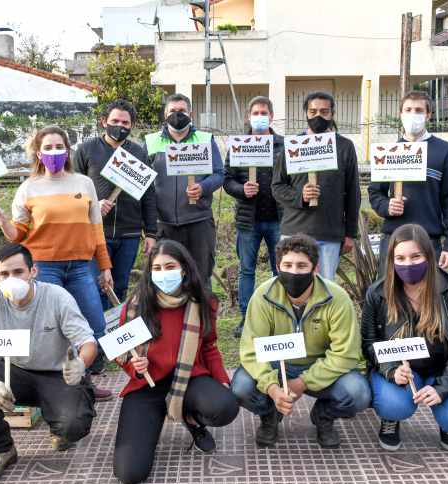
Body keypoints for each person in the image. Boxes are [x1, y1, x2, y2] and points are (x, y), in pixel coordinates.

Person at [0, 125, 114, 401]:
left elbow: (96, 229)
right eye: (48, 148)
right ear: (38, 153)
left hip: (80, 266)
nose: (54, 152)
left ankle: (81, 379)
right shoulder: (28, 188)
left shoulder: (83, 183)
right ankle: (57, 388)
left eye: (59, 147)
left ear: (67, 150)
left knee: (94, 324)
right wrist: (1, 220)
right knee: (53, 329)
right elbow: (18, 234)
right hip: (44, 266)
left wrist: (105, 266)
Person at [0, 243, 97, 484]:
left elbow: (88, 341)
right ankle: (0, 450)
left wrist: (81, 364)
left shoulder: (57, 297)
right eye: (5, 274)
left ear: (33, 272)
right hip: (14, 373)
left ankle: (60, 426)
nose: (12, 279)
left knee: (73, 425)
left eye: (18, 272)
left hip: (57, 375)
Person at [113, 239, 239, 484]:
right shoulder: (135, 306)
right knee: (129, 473)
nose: (163, 273)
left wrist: (223, 380)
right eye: (157, 268)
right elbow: (123, 352)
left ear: (183, 269)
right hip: (147, 386)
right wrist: (134, 369)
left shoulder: (203, 302)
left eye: (169, 266)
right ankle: (155, 418)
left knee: (225, 406)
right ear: (149, 273)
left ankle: (190, 418)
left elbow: (209, 346)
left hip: (189, 380)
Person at [231, 234, 371, 449]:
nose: (294, 272)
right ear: (278, 267)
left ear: (315, 269)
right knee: (241, 386)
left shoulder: (338, 298)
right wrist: (272, 388)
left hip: (320, 365)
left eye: (301, 266)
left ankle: (324, 416)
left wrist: (303, 382)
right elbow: (251, 350)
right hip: (278, 366)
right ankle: (270, 414)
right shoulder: (262, 296)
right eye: (287, 265)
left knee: (358, 393)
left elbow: (346, 353)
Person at [361, 224, 448, 452]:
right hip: (403, 371)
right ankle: (391, 419)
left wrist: (443, 388)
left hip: (444, 369)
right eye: (400, 258)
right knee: (393, 405)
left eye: (416, 256)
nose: (408, 264)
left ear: (429, 255)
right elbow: (369, 343)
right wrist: (390, 370)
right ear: (391, 260)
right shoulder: (377, 293)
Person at [368, 90, 448, 277]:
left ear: (428, 115)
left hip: (428, 238)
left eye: (419, 110)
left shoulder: (446, 152)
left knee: (426, 299)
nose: (413, 114)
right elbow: (374, 193)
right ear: (400, 114)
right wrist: (387, 206)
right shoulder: (387, 153)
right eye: (408, 109)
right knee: (389, 297)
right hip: (394, 238)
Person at [74, 99, 158, 309]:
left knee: (119, 287)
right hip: (94, 231)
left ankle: (116, 333)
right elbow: (72, 191)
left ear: (131, 125)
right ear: (104, 121)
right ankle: (97, 335)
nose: (120, 126)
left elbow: (148, 194)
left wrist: (151, 233)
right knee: (96, 286)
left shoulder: (139, 153)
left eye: (125, 123)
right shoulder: (86, 150)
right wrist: (92, 204)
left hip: (128, 233)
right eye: (115, 121)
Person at [272, 91, 360, 281]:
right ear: (306, 113)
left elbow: (353, 193)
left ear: (332, 114)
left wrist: (350, 233)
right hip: (293, 232)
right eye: (313, 112)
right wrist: (300, 197)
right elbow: (277, 187)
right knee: (293, 288)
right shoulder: (293, 146)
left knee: (325, 289)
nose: (318, 116)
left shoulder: (344, 147)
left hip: (329, 234)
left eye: (324, 111)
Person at [144, 93, 224, 283]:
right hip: (164, 225)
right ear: (165, 114)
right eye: (172, 111)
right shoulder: (151, 142)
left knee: (201, 279)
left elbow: (220, 174)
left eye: (182, 111)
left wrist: (203, 187)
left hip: (199, 222)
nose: (177, 115)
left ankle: (201, 313)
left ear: (191, 114)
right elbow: (143, 182)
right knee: (166, 280)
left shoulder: (205, 139)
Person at [223, 96, 285, 338]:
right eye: (255, 112)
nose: (260, 116)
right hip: (248, 220)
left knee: (280, 269)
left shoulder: (282, 145)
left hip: (279, 219)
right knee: (246, 270)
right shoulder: (239, 144)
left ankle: (279, 317)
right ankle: (247, 318)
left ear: (271, 116)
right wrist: (241, 190)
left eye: (264, 112)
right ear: (249, 116)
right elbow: (227, 179)